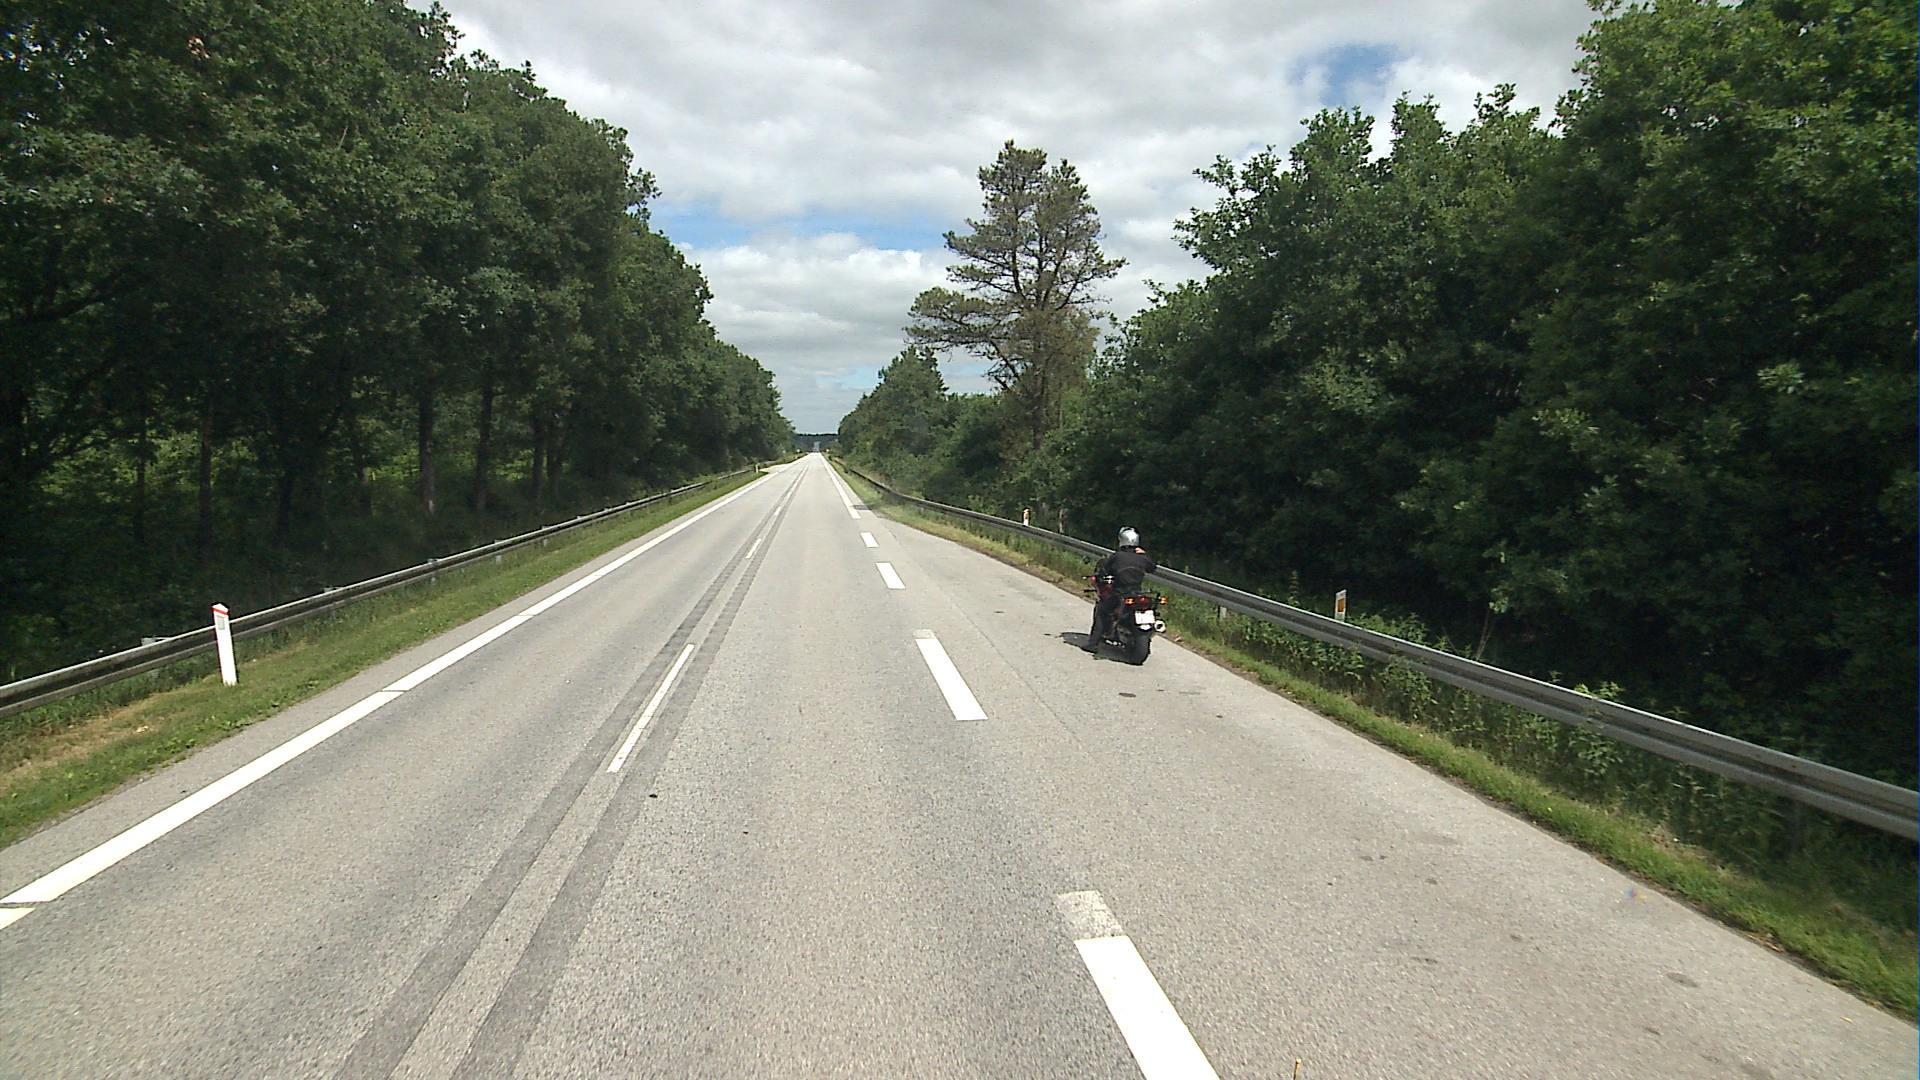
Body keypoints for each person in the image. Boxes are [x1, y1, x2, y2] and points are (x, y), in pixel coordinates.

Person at [1084, 526, 1156, 651]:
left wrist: (1101, 576)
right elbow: (1152, 568)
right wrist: (1143, 554)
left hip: (1119, 593)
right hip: (1137, 593)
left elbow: (1104, 570)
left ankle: (1092, 644)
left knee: (1102, 611)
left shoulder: (1117, 556)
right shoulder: (1142, 557)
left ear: (1122, 540)